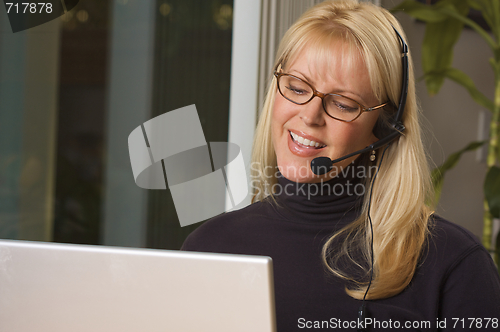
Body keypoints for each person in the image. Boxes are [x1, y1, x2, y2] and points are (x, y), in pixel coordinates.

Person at [182, 0, 500, 330]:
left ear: (385, 128)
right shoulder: (210, 248)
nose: (309, 115)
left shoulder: (453, 263)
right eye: (296, 87)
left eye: (343, 104)